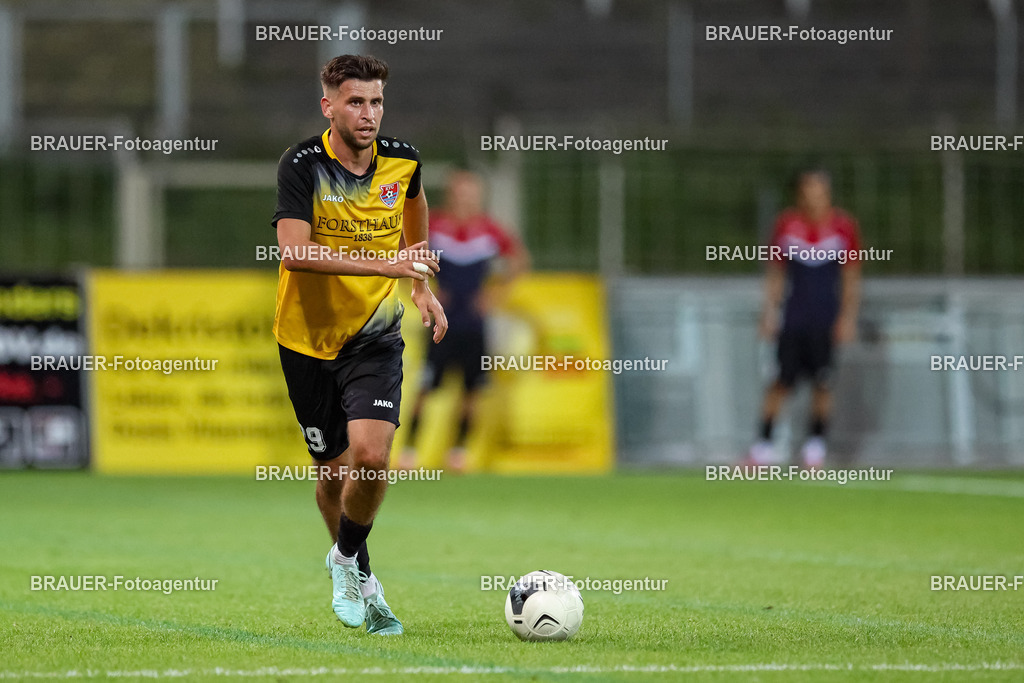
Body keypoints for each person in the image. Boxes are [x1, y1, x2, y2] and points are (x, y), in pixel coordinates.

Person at [272, 54, 447, 635]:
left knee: (371, 458)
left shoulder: (404, 160)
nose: (368, 113)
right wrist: (389, 261)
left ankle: (343, 561)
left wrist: (418, 280)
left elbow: (415, 205)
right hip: (306, 342)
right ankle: (363, 579)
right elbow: (294, 251)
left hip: (374, 334)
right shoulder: (301, 165)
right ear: (329, 106)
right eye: (354, 101)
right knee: (332, 475)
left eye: (375, 102)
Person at [400, 170, 528, 472]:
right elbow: (403, 255)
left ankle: (458, 452)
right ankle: (409, 452)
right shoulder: (433, 225)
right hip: (440, 321)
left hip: (473, 323)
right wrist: (422, 289)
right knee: (426, 387)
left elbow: (519, 260)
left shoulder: (488, 230)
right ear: (450, 193)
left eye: (471, 193)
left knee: (472, 389)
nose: (466, 198)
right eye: (460, 192)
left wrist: (494, 296)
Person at [747, 168, 861, 469]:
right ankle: (763, 447)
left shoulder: (843, 227)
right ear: (800, 193)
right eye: (809, 190)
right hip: (793, 316)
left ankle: (815, 448)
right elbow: (775, 272)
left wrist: (847, 317)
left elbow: (850, 275)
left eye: (820, 190)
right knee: (781, 381)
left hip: (825, 316)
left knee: (823, 382)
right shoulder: (786, 225)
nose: (814, 196)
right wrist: (769, 313)